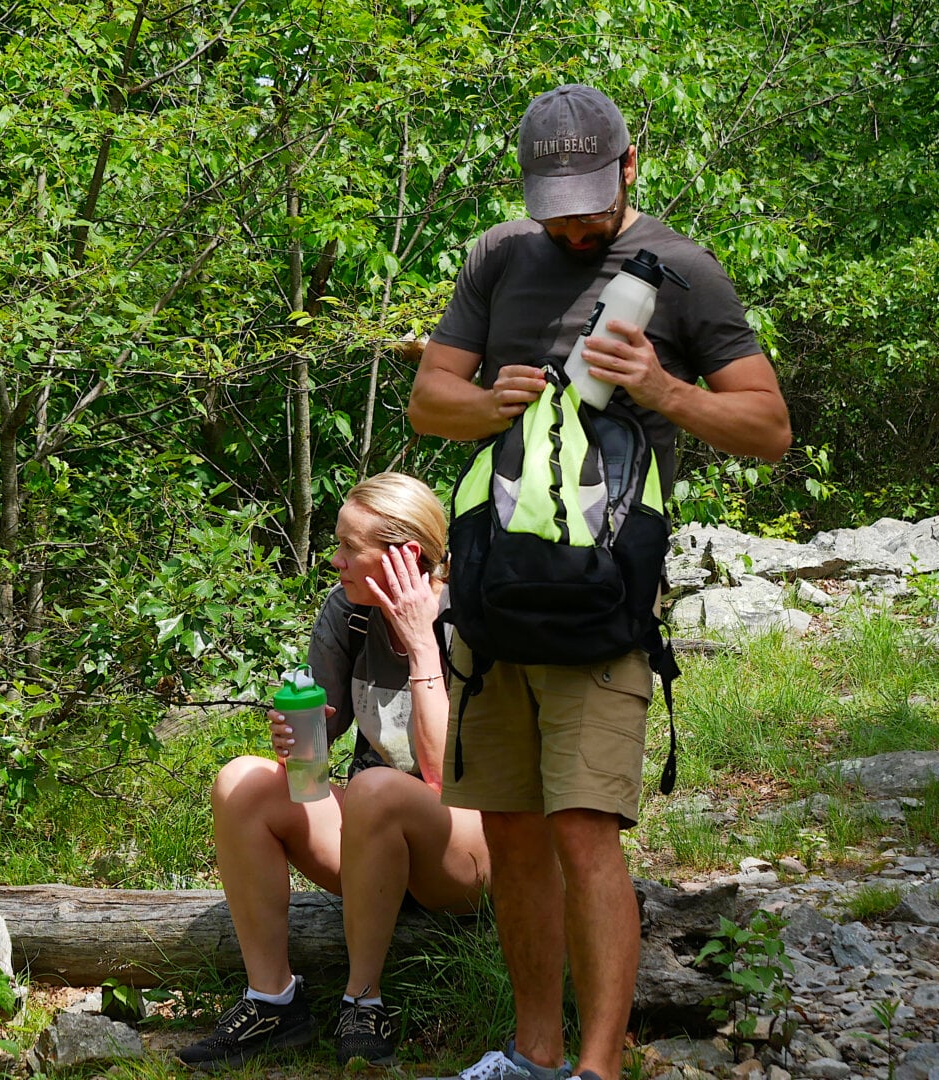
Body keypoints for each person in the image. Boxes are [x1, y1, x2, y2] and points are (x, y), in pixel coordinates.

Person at [405, 85, 791, 1080]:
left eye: (588, 199)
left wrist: (661, 389)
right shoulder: (498, 258)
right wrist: (491, 399)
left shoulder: (686, 271)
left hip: (604, 603)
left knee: (584, 836)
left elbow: (769, 429)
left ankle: (599, 1068)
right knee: (516, 840)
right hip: (493, 602)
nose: (572, 223)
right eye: (553, 205)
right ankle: (531, 1056)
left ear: (630, 166)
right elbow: (426, 404)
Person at [176, 472, 491, 1071]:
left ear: (405, 556)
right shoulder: (348, 612)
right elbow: (322, 748)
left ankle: (363, 1000)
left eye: (350, 547)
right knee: (241, 782)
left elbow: (439, 769)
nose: (336, 560)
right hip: (377, 838)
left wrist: (423, 644)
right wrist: (298, 733)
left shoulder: (469, 618)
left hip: (468, 849)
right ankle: (273, 1001)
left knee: (377, 787)